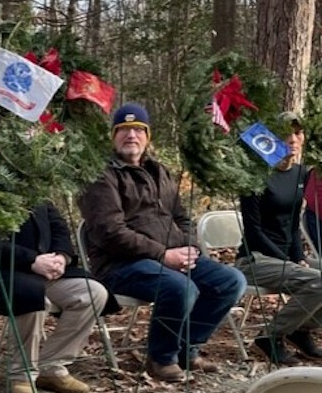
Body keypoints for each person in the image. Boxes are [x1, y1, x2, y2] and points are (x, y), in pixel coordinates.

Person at [79, 103, 247, 383]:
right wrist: (163, 255)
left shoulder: (160, 171)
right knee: (181, 288)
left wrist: (190, 248)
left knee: (231, 281)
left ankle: (186, 349)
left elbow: (181, 217)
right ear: (112, 136)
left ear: (147, 136)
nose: (131, 135)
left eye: (138, 129)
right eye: (123, 130)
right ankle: (161, 358)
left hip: (169, 258)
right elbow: (110, 232)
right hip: (121, 264)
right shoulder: (100, 176)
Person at [0, 201, 114, 393]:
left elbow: (59, 226)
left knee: (93, 292)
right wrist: (31, 260)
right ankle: (21, 375)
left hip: (45, 271)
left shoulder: (37, 188)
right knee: (32, 294)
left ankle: (51, 367)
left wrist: (61, 257)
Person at [235, 111, 322, 365]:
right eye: (286, 132)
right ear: (269, 138)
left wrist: (297, 257)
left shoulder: (301, 173)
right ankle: (270, 336)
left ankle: (300, 330)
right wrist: (289, 260)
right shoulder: (256, 177)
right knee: (319, 283)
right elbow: (253, 232)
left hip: (287, 258)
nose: (293, 138)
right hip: (256, 259)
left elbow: (294, 225)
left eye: (298, 132)